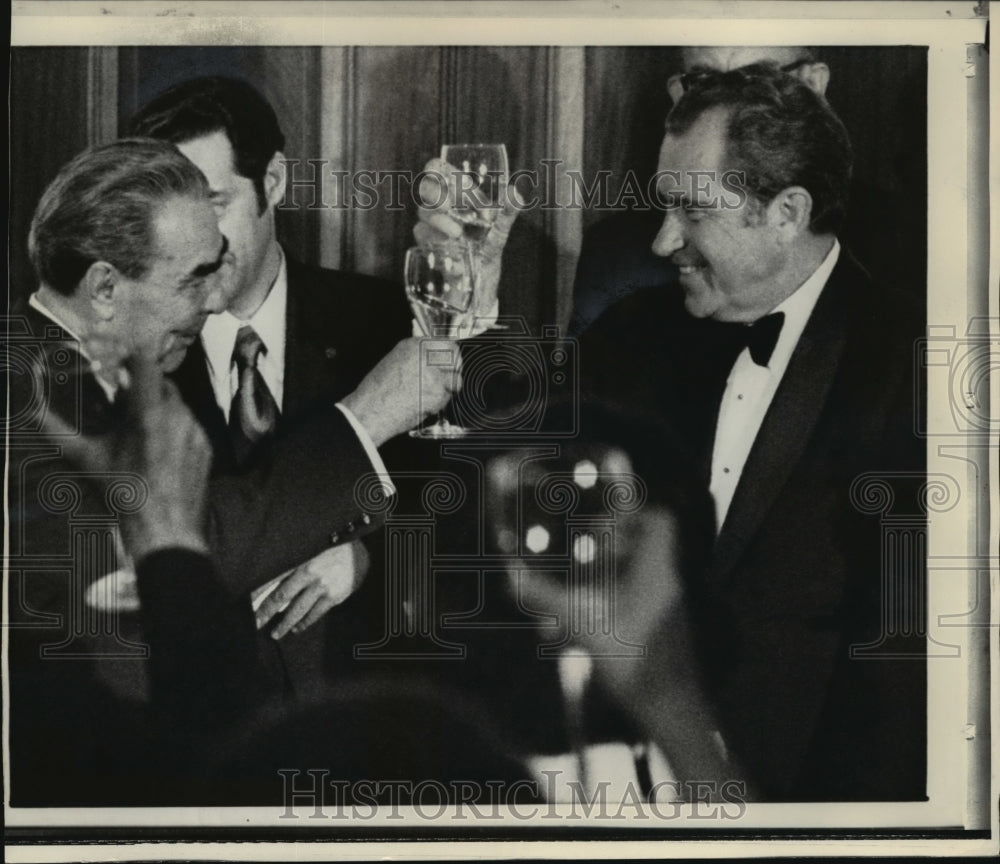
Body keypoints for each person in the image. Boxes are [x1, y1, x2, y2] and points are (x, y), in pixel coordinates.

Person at [416, 65, 925, 801]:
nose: (661, 242)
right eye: (663, 207)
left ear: (787, 211)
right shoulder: (633, 331)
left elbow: (911, 677)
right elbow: (500, 482)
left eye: (692, 212)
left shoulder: (913, 362)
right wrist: (475, 305)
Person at [7, 138, 458, 804]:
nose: (215, 303)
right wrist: (365, 418)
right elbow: (174, 561)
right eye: (193, 277)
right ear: (104, 287)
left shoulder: (75, 374)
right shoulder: (35, 402)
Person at [127, 77, 421, 694]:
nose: (191, 249)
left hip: (366, 725)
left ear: (276, 183)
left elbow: (471, 512)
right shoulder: (128, 360)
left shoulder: (387, 322)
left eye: (212, 205)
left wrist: (370, 559)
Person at [569, 46, 830, 335]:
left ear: (813, 84)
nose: (726, 108)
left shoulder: (883, 247)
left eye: (758, 81)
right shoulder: (617, 260)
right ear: (678, 95)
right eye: (705, 82)